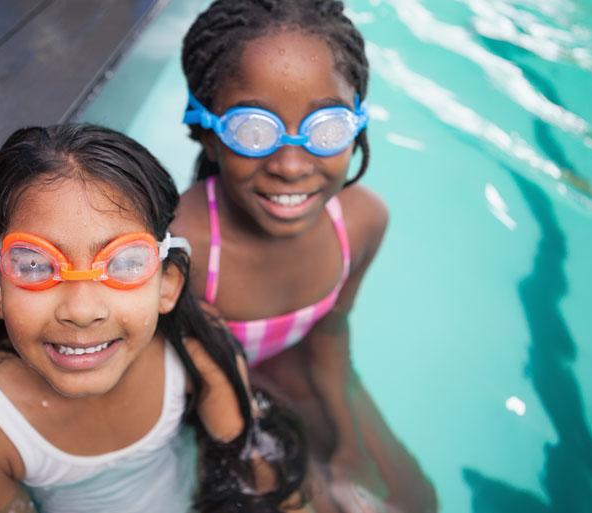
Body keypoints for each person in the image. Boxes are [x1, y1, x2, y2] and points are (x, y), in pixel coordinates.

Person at [0, 124, 308, 513]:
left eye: (124, 262)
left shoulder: (195, 345)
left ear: (168, 284)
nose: (82, 311)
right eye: (34, 264)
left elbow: (260, 480)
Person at [170, 1, 437, 512]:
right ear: (207, 127)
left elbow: (331, 337)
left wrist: (349, 442)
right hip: (208, 396)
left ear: (357, 122)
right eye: (253, 130)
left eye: (327, 128)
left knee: (411, 500)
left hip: (294, 363)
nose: (291, 166)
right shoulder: (184, 245)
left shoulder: (359, 223)